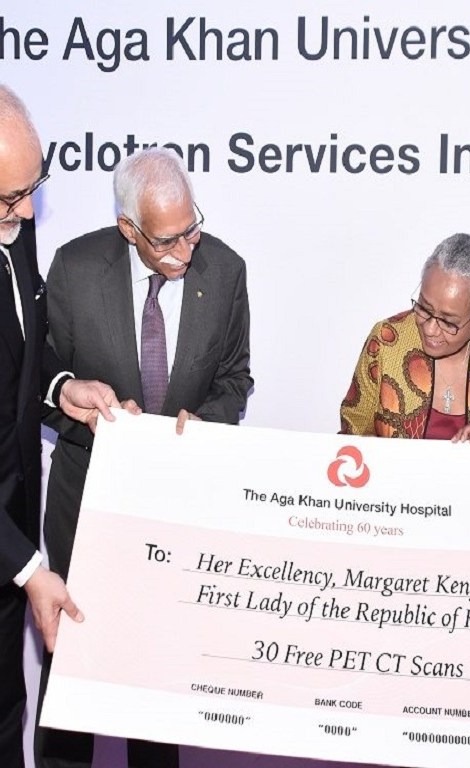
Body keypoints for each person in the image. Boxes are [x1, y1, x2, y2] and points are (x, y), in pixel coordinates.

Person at [36, 147, 254, 768]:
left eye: (192, 229)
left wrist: (207, 424)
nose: (186, 250)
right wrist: (75, 399)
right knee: (73, 666)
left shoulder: (226, 270)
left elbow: (235, 378)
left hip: (175, 510)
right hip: (86, 502)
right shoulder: (75, 267)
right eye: (167, 240)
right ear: (129, 229)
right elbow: (41, 378)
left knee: (155, 675)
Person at [0, 84, 120, 768]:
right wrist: (28, 568)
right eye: (8, 199)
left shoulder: (14, 229)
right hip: (12, 553)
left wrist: (60, 387)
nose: (25, 212)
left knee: (9, 712)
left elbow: (20, 347)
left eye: (32, 189)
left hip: (14, 536)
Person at [340, 232, 470, 444]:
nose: (430, 328)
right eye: (424, 308)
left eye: (448, 322)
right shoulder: (386, 342)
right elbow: (352, 438)